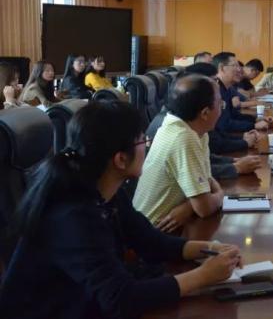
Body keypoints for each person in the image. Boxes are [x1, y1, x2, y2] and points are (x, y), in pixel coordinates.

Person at [0, 100, 241, 319]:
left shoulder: (104, 189)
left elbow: (151, 241)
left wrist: (209, 248)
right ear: (121, 159)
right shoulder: (72, 214)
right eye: (142, 141)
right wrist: (204, 276)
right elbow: (120, 298)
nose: (146, 147)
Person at [133, 74, 225, 226]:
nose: (222, 108)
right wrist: (221, 195)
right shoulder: (183, 137)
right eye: (220, 103)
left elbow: (206, 180)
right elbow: (205, 208)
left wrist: (190, 205)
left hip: (171, 228)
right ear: (205, 113)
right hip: (152, 232)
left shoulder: (194, 130)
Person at [213, 52, 269, 134]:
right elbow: (224, 124)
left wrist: (256, 119)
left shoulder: (228, 88)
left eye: (238, 66)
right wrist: (253, 126)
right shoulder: (214, 90)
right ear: (222, 68)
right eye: (235, 66)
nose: (239, 69)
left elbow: (235, 115)